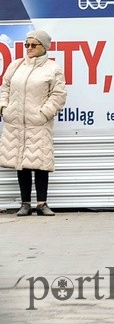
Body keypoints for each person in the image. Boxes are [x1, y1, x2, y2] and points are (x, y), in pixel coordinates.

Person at [0, 30, 68, 216]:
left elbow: (58, 95)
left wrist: (44, 114)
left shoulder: (52, 68)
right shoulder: (16, 66)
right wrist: (4, 108)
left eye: (33, 45)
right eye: (26, 44)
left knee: (40, 163)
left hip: (38, 123)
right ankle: (25, 203)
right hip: (16, 123)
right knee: (20, 162)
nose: (29, 48)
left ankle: (42, 203)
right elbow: (4, 87)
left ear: (44, 47)